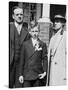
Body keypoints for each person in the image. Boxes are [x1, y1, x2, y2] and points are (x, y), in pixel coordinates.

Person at [18, 22, 48, 87]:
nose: (35, 33)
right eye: (33, 31)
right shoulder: (25, 44)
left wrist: (44, 72)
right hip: (27, 75)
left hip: (38, 75)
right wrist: (20, 74)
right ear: (30, 32)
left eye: (36, 31)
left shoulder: (42, 44)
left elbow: (45, 59)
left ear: (39, 32)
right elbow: (21, 61)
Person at [9, 6, 30, 88]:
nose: (19, 16)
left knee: (19, 86)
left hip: (21, 66)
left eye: (21, 14)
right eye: (17, 14)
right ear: (13, 16)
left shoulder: (26, 31)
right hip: (9, 64)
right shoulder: (7, 28)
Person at [47, 15, 66, 86]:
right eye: (54, 22)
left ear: (62, 24)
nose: (55, 23)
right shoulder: (53, 38)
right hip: (52, 71)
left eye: (57, 22)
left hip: (61, 72)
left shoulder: (65, 35)